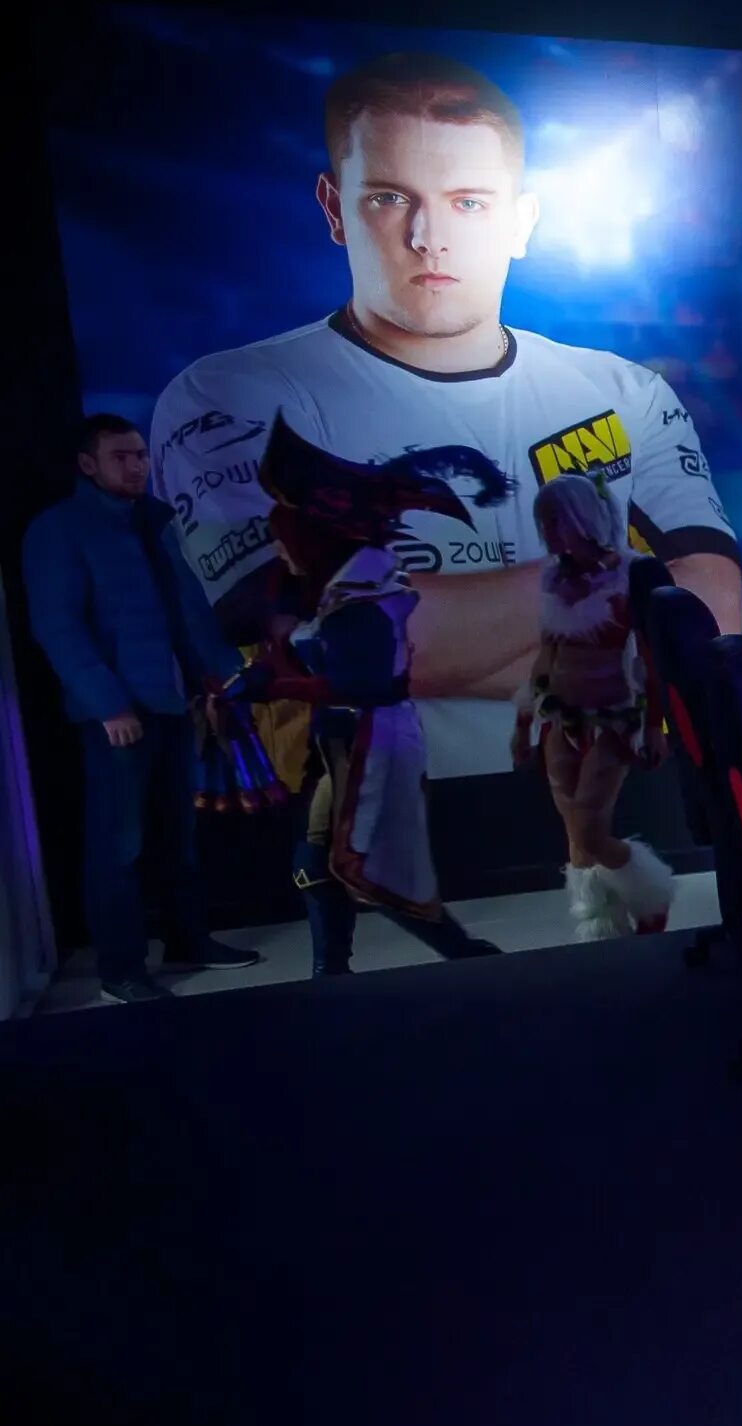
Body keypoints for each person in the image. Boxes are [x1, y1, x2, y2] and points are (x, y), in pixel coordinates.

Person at [148, 50, 742, 780]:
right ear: (335, 208)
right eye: (389, 198)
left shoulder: (625, 392)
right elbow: (347, 646)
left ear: (521, 221)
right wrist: (625, 588)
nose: (429, 236)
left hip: (620, 806)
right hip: (375, 827)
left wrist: (447, 634)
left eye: (468, 202)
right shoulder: (231, 395)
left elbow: (711, 619)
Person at [238, 415, 504, 974]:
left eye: (284, 540)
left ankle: (461, 955)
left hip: (374, 742)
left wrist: (274, 684)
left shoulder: (364, 600)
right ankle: (335, 972)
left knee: (367, 867)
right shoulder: (337, 592)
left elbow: (363, 684)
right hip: (346, 742)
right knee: (325, 864)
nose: (278, 551)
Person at [22, 415, 262, 1002]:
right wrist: (108, 706)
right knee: (118, 847)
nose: (136, 466)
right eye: (121, 457)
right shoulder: (59, 530)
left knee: (177, 836)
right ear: (88, 464)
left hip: (172, 702)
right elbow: (58, 627)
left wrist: (216, 678)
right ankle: (121, 970)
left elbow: (186, 610)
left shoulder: (154, 521)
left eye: (139, 455)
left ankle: (187, 940)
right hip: (118, 715)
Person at [513, 475, 675, 939]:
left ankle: (652, 900)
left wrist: (655, 726)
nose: (546, 532)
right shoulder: (554, 576)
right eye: (542, 522)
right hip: (558, 718)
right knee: (575, 835)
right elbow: (547, 654)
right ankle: (603, 931)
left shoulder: (636, 573)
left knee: (589, 831)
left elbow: (655, 657)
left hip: (613, 719)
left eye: (553, 521)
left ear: (579, 518)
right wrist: (522, 723)